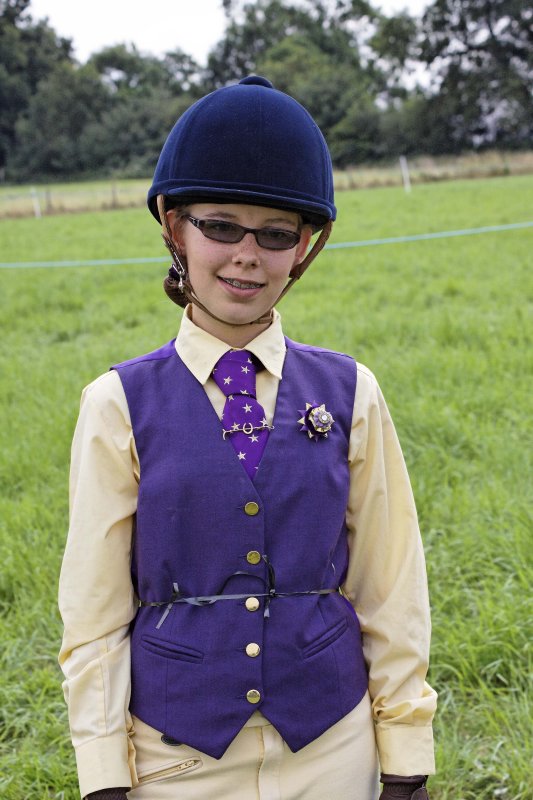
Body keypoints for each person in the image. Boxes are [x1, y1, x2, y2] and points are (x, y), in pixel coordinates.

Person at [59, 75, 437, 800]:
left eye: (275, 234)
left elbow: (390, 584)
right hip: (174, 759)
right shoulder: (115, 404)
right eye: (221, 226)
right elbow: (93, 610)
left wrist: (404, 755)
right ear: (176, 228)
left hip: (333, 746)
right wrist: (103, 774)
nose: (246, 255)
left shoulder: (352, 391)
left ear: (304, 247)